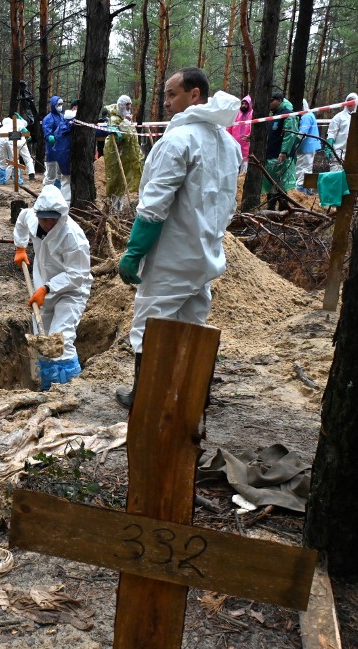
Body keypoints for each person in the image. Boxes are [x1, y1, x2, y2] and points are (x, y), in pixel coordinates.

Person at [115, 68, 241, 409]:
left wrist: (135, 250)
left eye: (172, 95)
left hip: (173, 252)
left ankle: (146, 397)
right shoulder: (228, 144)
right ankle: (191, 394)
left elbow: (155, 203)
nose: (167, 103)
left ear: (195, 94)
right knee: (192, 321)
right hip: (206, 252)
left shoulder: (177, 141)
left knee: (151, 323)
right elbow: (227, 202)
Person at [13, 185, 92, 389]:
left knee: (60, 340)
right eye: (44, 218)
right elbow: (22, 218)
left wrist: (48, 288)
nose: (48, 223)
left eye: (53, 219)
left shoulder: (72, 237)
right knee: (43, 339)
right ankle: (48, 386)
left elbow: (77, 275)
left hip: (71, 291)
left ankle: (71, 388)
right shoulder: (32, 217)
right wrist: (20, 247)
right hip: (42, 288)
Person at [102, 103, 143, 209]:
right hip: (115, 155)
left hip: (125, 155)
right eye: (127, 107)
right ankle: (113, 209)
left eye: (130, 107)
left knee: (123, 183)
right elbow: (122, 135)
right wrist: (125, 123)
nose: (129, 109)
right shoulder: (114, 119)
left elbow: (132, 136)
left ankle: (120, 208)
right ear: (121, 106)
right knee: (116, 182)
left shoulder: (124, 118)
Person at [262, 92, 299, 210]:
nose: (269, 104)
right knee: (271, 184)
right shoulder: (274, 115)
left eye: (271, 101)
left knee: (281, 186)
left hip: (282, 157)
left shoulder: (288, 115)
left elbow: (290, 134)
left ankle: (284, 210)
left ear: (279, 100)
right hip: (271, 155)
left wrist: (284, 151)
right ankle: (271, 209)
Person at [41, 95, 73, 200]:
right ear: (53, 105)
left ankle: (57, 196)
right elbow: (47, 132)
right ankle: (45, 197)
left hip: (61, 151)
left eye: (61, 104)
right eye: (58, 104)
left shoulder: (62, 116)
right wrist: (50, 136)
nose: (60, 106)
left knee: (60, 175)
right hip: (51, 151)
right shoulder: (48, 118)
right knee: (51, 176)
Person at [325, 92, 358, 167]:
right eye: (349, 100)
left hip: (352, 154)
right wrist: (328, 148)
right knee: (335, 175)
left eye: (352, 100)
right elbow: (331, 133)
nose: (350, 102)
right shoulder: (338, 117)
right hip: (338, 153)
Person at [0, 116, 34, 185]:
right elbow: (25, 131)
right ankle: (17, 180)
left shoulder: (1, 128)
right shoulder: (17, 123)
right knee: (14, 160)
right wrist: (28, 136)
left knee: (2, 160)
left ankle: (2, 179)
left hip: (0, 141)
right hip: (10, 140)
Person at [295, 99, 320, 195]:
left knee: (302, 168)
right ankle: (307, 189)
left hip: (305, 147)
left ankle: (300, 190)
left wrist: (294, 143)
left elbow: (302, 133)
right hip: (309, 146)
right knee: (308, 168)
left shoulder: (306, 116)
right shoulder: (310, 115)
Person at [228, 95, 252, 173]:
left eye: (246, 104)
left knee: (244, 169)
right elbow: (229, 127)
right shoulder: (236, 114)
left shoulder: (253, 114)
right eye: (243, 103)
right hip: (234, 144)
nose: (244, 105)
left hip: (247, 146)